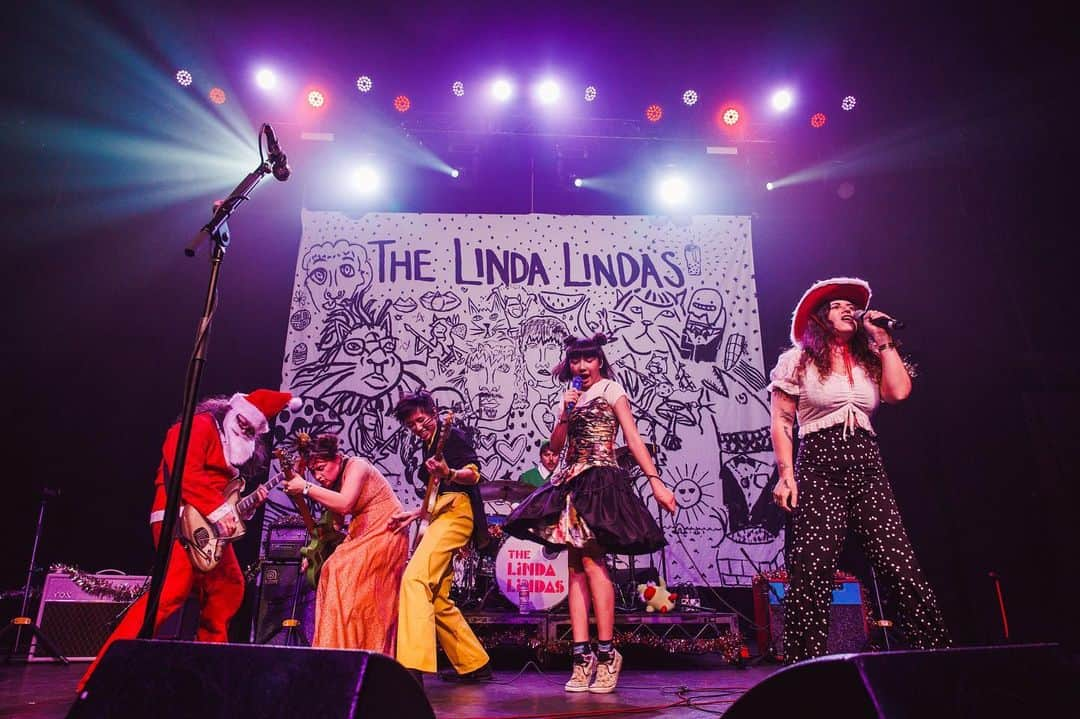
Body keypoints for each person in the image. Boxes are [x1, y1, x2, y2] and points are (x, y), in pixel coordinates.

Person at [767, 277, 950, 663]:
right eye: (837, 305)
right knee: (812, 571)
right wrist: (786, 474)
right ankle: (805, 666)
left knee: (899, 564)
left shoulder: (870, 358)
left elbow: (899, 392)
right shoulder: (797, 359)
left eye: (852, 305)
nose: (848, 309)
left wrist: (883, 339)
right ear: (819, 317)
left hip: (866, 463)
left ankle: (935, 657)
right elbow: (783, 421)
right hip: (819, 463)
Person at [77, 389, 296, 692]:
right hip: (176, 518)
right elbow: (187, 474)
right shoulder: (198, 426)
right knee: (170, 592)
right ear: (232, 409)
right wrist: (220, 511)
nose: (245, 430)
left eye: (251, 430)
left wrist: (240, 508)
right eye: (243, 422)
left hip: (209, 525)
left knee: (229, 587)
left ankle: (209, 669)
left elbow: (224, 496)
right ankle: (101, 676)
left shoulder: (235, 453)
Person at [503, 334, 676, 694]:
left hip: (600, 479)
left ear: (599, 360)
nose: (581, 366)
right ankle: (582, 658)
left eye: (588, 359)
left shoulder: (612, 390)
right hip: (571, 479)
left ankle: (608, 653)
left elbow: (632, 438)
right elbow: (554, 447)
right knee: (575, 568)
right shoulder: (569, 399)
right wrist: (565, 414)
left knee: (595, 564)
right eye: (575, 360)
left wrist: (656, 482)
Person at [387, 391, 491, 686]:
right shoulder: (428, 446)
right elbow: (433, 497)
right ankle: (474, 662)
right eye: (412, 426)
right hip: (440, 514)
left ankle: (412, 668)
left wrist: (450, 472)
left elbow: (473, 474)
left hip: (458, 513)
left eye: (421, 420)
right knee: (436, 598)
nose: (418, 428)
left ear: (433, 412)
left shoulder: (452, 435)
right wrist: (413, 515)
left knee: (414, 580)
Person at [282, 433, 407, 654]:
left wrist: (306, 488)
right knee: (330, 569)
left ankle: (364, 650)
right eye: (313, 472)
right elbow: (334, 525)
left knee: (344, 573)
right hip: (362, 532)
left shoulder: (356, 466)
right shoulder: (335, 481)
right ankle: (338, 647)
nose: (318, 475)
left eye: (321, 467)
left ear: (337, 458)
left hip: (386, 529)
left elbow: (345, 504)